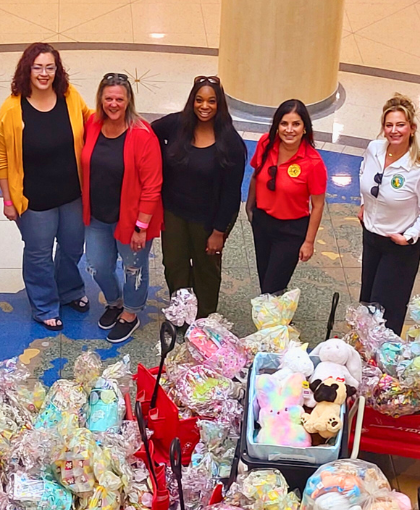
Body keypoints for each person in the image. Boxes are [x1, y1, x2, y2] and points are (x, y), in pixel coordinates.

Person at [0, 42, 92, 332]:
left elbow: (91, 123)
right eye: (38, 67)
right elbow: (0, 156)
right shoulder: (11, 109)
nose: (44, 73)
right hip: (33, 201)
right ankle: (45, 306)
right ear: (27, 69)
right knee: (39, 255)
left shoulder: (70, 97)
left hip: (73, 194)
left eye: (50, 67)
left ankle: (70, 291)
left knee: (73, 247)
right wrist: (8, 200)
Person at [152, 75, 246, 319]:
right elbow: (147, 134)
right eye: (199, 100)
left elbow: (231, 193)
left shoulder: (230, 143)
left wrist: (219, 232)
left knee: (206, 270)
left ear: (219, 105)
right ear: (192, 101)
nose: (205, 106)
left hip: (208, 219)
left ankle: (203, 319)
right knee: (174, 265)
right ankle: (181, 312)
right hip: (174, 212)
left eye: (212, 101)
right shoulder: (176, 125)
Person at [81, 73, 163, 343]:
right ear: (100, 100)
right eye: (108, 98)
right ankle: (114, 302)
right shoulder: (93, 123)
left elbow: (152, 186)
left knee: (133, 268)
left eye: (119, 98)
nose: (113, 104)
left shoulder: (142, 134)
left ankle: (131, 312)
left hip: (132, 219)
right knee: (97, 266)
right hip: (98, 215)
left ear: (129, 101)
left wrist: (141, 227)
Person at [357, 94, 420, 334]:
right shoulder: (374, 149)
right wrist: (365, 204)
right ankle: (364, 356)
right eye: (389, 125)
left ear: (412, 129)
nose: (394, 131)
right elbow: (364, 172)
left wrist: (409, 235)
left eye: (400, 125)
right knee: (367, 303)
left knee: (385, 312)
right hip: (371, 237)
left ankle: (383, 362)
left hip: (399, 246)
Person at [246, 100, 327, 295]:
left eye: (296, 124)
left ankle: (275, 322)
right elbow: (256, 175)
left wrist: (309, 242)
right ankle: (277, 319)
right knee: (265, 280)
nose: (289, 130)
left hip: (291, 231)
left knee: (271, 288)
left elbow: (317, 205)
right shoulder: (266, 143)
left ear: (305, 128)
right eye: (284, 124)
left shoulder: (313, 162)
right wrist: (250, 208)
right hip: (263, 223)